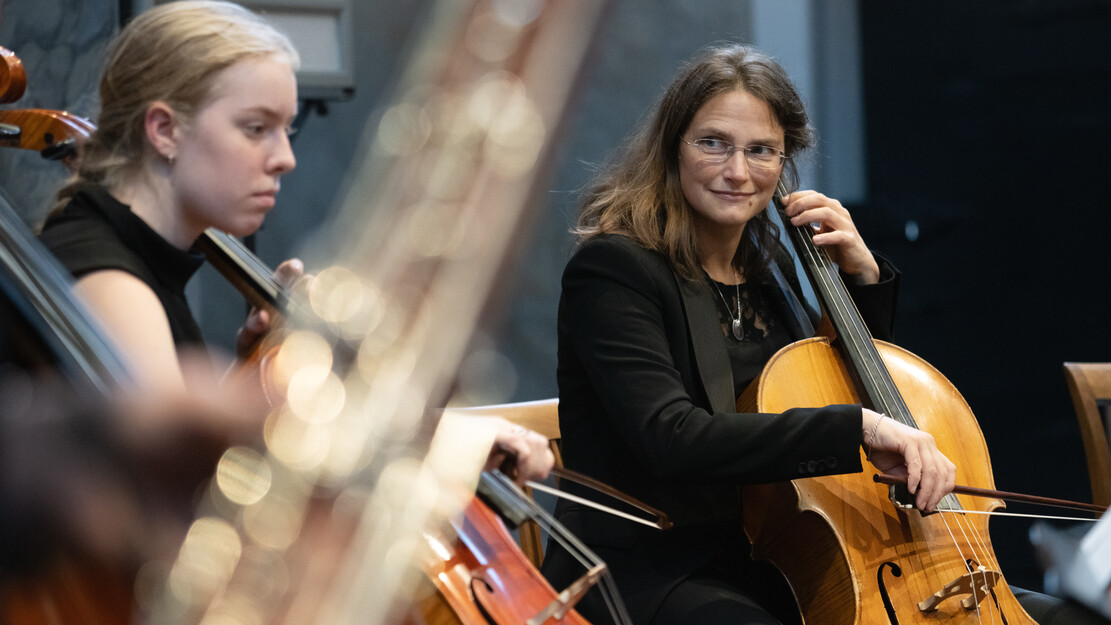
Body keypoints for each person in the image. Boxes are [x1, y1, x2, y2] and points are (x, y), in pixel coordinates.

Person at [33, 0, 553, 482]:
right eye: (256, 128)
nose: (285, 158)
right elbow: (179, 491)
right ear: (164, 130)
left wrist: (256, 365)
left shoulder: (141, 262)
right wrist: (438, 443)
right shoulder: (111, 282)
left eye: (285, 130)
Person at [539, 43, 961, 625]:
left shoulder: (771, 269)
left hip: (766, 556)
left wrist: (862, 280)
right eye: (713, 143)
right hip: (652, 569)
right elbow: (673, 436)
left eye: (761, 151)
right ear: (672, 148)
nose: (738, 172)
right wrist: (859, 427)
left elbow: (824, 387)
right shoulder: (616, 269)